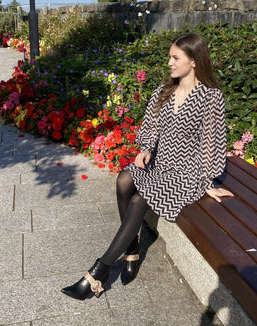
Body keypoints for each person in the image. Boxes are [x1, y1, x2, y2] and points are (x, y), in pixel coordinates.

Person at [62, 33, 233, 300]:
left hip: (187, 171)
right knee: (123, 179)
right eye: (169, 56)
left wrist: (208, 182)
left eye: (175, 57)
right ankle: (131, 247)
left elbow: (212, 142)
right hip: (160, 161)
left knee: (141, 198)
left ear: (194, 61)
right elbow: (151, 127)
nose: (169, 62)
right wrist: (146, 149)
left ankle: (99, 271)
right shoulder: (165, 91)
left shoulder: (210, 97)